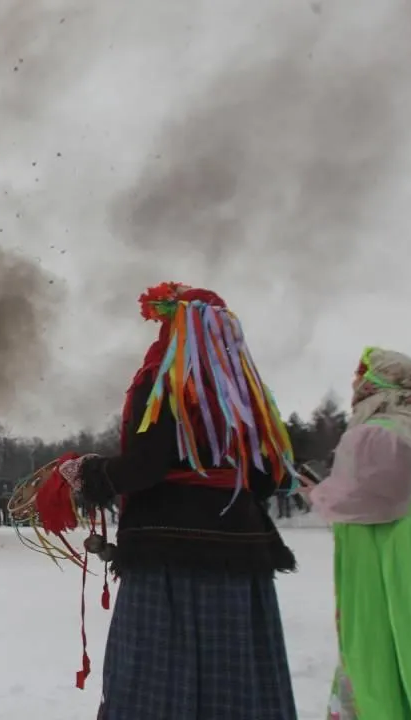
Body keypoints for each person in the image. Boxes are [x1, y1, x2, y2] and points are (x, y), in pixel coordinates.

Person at [45, 282, 299, 719]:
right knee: (234, 682)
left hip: (167, 560)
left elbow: (146, 466)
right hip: (240, 558)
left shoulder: (165, 381)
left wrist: (89, 473)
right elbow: (264, 478)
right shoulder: (247, 395)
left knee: (157, 682)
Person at [301, 347, 411, 719]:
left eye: (360, 380)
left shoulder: (379, 433)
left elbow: (368, 502)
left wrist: (315, 493)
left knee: (387, 651)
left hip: (391, 554)